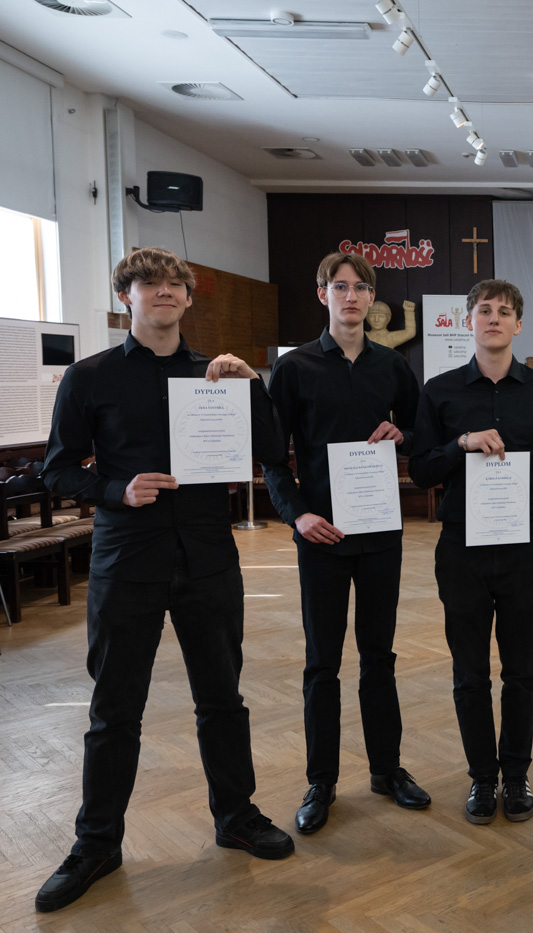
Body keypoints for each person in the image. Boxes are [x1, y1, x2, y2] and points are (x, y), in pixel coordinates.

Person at [36, 247, 293, 912]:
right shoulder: (89, 377)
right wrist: (116, 489)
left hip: (208, 556)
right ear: (127, 296)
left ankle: (235, 815)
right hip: (128, 559)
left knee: (223, 699)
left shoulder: (216, 376)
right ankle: (97, 843)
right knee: (115, 709)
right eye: (149, 283)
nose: (164, 292)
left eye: (175, 283)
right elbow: (58, 469)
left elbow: (270, 452)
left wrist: (252, 384)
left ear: (188, 297)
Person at [263, 252, 428, 836]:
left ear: (372, 299)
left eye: (360, 288)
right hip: (322, 536)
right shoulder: (295, 368)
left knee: (379, 656)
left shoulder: (393, 366)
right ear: (322, 294)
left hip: (380, 533)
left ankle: (386, 770)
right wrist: (298, 516)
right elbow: (272, 460)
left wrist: (403, 433)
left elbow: (422, 434)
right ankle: (322, 781)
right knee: (322, 663)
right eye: (340, 286)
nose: (351, 296)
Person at [409, 279, 533, 825]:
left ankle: (516, 774)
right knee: (470, 673)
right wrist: (462, 443)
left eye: (504, 311)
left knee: (522, 673)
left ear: (519, 324)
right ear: (468, 321)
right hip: (462, 552)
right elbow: (421, 470)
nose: (494, 318)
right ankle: (482, 777)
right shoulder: (440, 391)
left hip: (525, 549)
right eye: (484, 310)